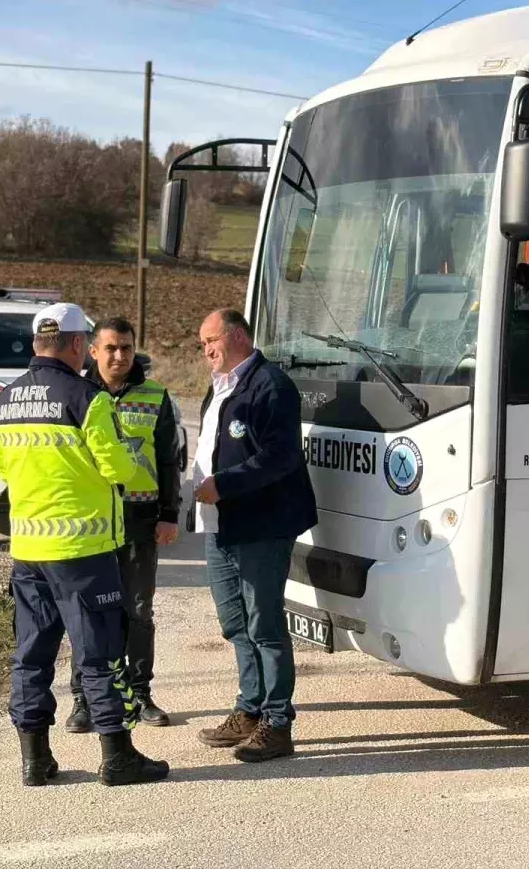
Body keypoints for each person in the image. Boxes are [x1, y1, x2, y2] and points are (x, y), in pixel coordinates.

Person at [0, 302, 168, 788]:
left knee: (30, 654)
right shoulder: (89, 398)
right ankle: (118, 757)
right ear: (74, 344)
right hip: (84, 551)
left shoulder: (3, 401)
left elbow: (3, 472)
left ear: (35, 344)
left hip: (28, 552)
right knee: (100, 654)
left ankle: (35, 760)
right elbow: (118, 470)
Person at [191, 308, 317, 763]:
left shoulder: (271, 386)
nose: (206, 350)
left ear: (238, 335)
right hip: (222, 526)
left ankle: (278, 723)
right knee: (235, 624)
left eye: (211, 340)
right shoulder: (221, 386)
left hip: (262, 525)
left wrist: (223, 485)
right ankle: (250, 709)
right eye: (201, 344)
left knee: (263, 624)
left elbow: (281, 457)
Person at [65, 316, 184, 733]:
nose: (120, 356)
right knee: (89, 614)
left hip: (138, 518)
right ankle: (84, 700)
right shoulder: (76, 394)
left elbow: (170, 460)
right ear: (92, 350)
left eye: (127, 348)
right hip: (91, 521)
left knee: (138, 611)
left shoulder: (156, 396)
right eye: (111, 348)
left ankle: (139, 693)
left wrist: (170, 514)